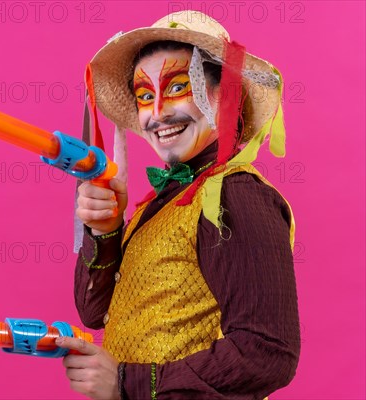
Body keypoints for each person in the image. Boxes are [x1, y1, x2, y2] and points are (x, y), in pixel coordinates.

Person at [55, 10, 300, 400]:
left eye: (178, 88)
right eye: (145, 96)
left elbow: (267, 353)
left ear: (226, 94)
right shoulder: (160, 204)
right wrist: (106, 230)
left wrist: (125, 383)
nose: (157, 115)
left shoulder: (236, 195)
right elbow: (94, 312)